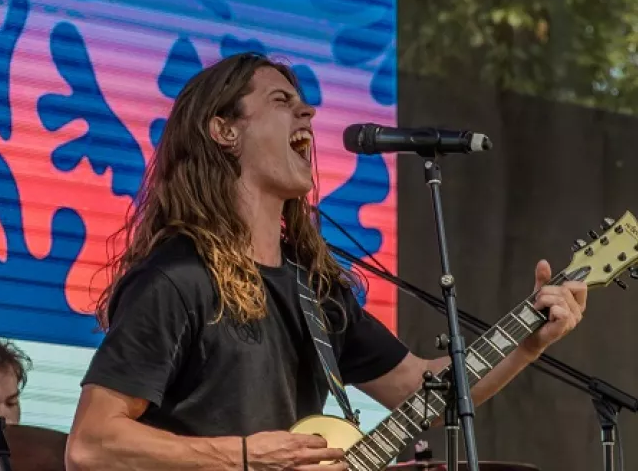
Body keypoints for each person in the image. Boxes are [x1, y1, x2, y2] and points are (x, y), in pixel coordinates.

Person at [65, 53, 587, 471]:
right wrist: (243, 457)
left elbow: (420, 390)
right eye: (282, 100)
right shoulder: (178, 278)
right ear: (225, 130)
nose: (308, 113)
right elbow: (91, 444)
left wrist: (529, 339)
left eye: (304, 102)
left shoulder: (314, 289)